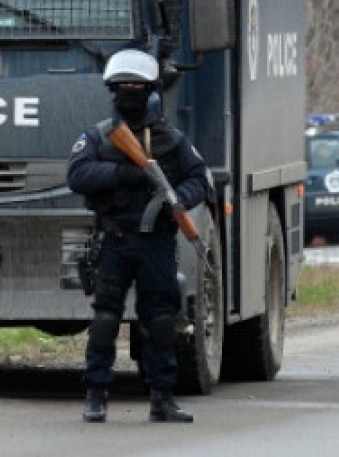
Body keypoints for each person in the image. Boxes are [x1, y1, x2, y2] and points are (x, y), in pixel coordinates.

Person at [67, 49, 209, 423]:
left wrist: (177, 199)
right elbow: (78, 175)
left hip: (157, 241)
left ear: (150, 90)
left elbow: (199, 179)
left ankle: (162, 397)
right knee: (106, 321)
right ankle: (95, 394)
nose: (130, 92)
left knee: (162, 320)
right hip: (114, 239)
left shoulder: (172, 139)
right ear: (113, 91)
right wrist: (125, 175)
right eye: (123, 86)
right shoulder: (99, 136)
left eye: (137, 86)